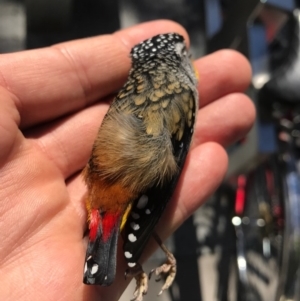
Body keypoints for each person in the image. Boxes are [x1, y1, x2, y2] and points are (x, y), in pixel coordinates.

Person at [0, 20, 254, 301]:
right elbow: (162, 180)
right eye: (185, 54)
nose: (191, 62)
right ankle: (124, 246)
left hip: (102, 181)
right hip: (128, 183)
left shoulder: (132, 87)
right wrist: (138, 241)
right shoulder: (182, 97)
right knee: (148, 205)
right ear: (177, 60)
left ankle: (119, 246)